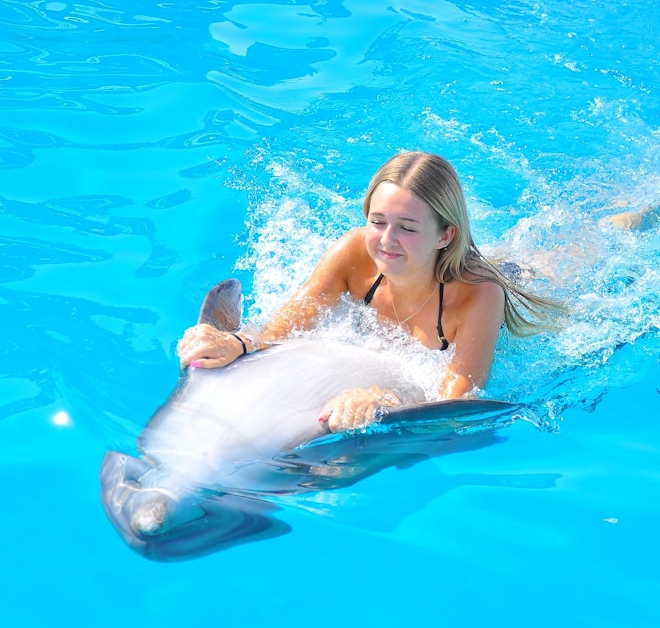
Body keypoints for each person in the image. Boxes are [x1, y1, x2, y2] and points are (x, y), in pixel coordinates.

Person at [176, 150, 563, 432]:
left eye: (407, 227)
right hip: (444, 261)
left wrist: (385, 402)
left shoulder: (479, 295)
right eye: (378, 222)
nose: (387, 241)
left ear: (446, 234)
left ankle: (615, 221)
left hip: (510, 278)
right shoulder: (352, 253)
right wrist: (237, 344)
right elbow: (282, 331)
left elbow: (459, 400)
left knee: (556, 261)